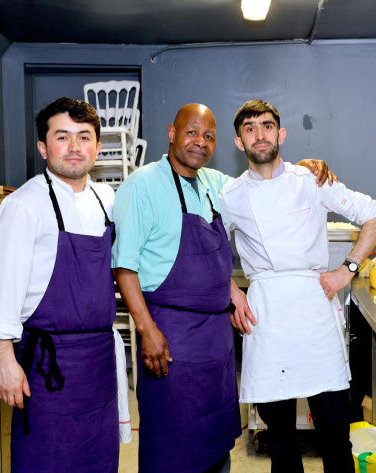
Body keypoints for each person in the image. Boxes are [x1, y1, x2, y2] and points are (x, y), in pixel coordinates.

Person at [112, 103, 335, 473]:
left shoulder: (216, 184)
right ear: (171, 133)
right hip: (170, 335)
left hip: (215, 339)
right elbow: (124, 266)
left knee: (216, 443)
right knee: (172, 441)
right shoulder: (143, 184)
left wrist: (304, 169)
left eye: (209, 136)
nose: (200, 142)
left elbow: (267, 179)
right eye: (191, 132)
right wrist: (147, 329)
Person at [219, 100, 376, 473]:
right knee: (279, 438)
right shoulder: (229, 195)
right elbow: (207, 248)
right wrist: (233, 294)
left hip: (313, 311)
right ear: (238, 141)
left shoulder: (312, 180)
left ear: (281, 134)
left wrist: (348, 269)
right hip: (266, 317)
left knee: (333, 429)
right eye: (249, 128)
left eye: (266, 126)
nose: (259, 134)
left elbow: (375, 215)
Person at [0, 97, 123, 472]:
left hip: (99, 362)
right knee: (46, 460)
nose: (75, 148)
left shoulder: (107, 199)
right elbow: (0, 288)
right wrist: (4, 360)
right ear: (43, 147)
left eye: (84, 137)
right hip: (47, 366)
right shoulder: (24, 205)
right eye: (62, 137)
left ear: (98, 147)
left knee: (100, 462)